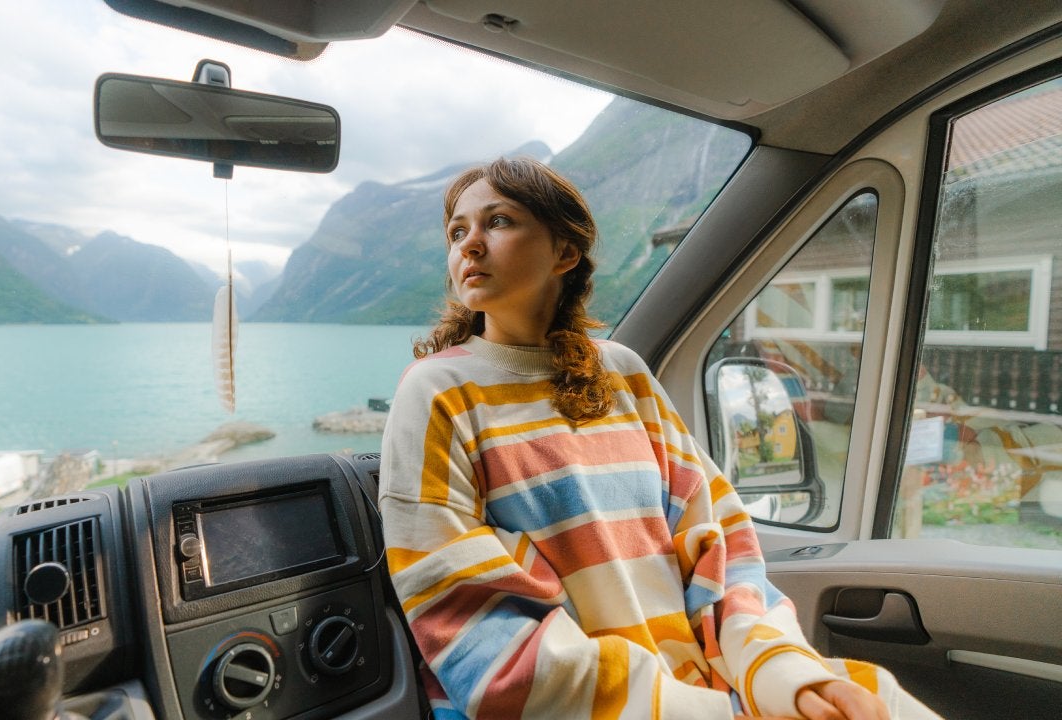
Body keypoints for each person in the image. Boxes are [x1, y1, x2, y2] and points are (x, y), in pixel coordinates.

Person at [378, 157, 939, 719]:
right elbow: (463, 611)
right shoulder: (438, 392)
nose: (469, 245)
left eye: (497, 222)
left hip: (709, 688)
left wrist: (789, 678)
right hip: (596, 707)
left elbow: (719, 546)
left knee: (877, 702)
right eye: (457, 232)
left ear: (564, 254)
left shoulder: (623, 373)